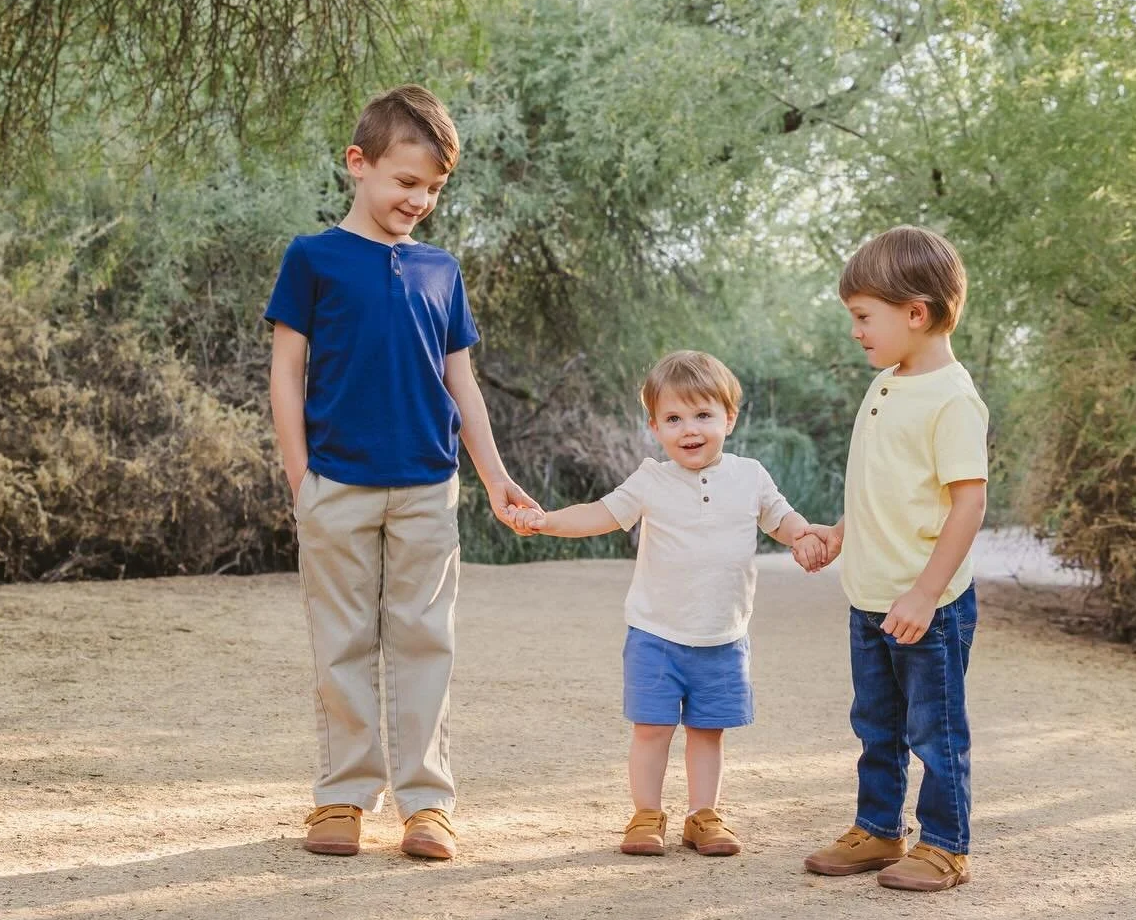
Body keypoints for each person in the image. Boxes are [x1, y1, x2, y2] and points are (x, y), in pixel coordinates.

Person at [266, 85, 537, 863]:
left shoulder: (440, 271)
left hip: (427, 483)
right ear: (359, 164)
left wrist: (494, 476)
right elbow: (288, 372)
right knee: (342, 644)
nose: (419, 200)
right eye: (406, 182)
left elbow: (464, 384)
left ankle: (427, 805)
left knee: (425, 643)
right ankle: (343, 797)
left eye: (434, 189)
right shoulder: (312, 258)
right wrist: (300, 478)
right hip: (336, 486)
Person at [514, 350, 824, 857]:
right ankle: (646, 814)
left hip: (723, 637)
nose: (689, 429)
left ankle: (704, 816)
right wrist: (545, 519)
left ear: (729, 417)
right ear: (654, 427)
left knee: (707, 733)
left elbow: (781, 518)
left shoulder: (750, 475)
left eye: (703, 415)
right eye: (674, 419)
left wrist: (804, 537)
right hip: (656, 634)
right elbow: (599, 514)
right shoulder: (651, 481)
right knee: (652, 729)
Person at [800, 226, 988, 893]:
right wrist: (843, 532)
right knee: (876, 725)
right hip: (871, 595)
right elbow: (887, 484)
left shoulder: (952, 398)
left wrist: (923, 595)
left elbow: (967, 505)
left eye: (862, 316)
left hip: (926, 605)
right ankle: (880, 829)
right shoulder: (887, 383)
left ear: (916, 312)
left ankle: (945, 844)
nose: (855, 331)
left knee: (934, 730)